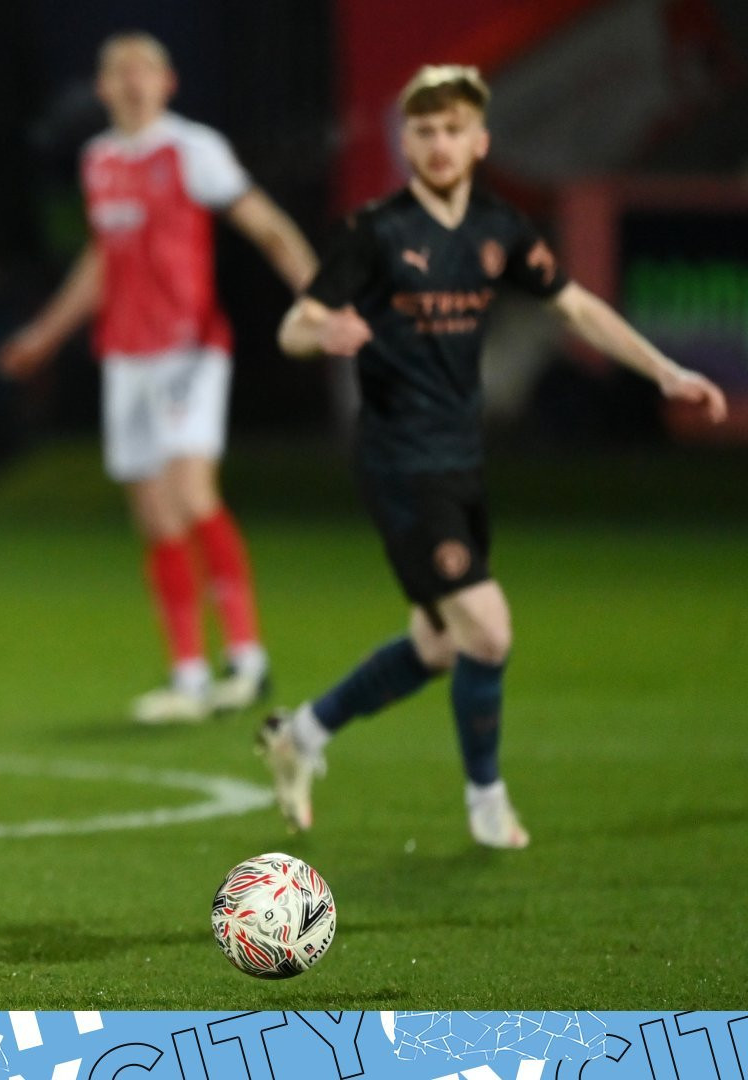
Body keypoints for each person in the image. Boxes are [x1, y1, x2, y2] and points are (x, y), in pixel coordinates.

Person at [262, 65, 727, 848]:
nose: (438, 144)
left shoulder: (499, 229)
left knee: (439, 644)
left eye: (452, 130)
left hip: (461, 458)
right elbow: (292, 326)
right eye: (423, 130)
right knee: (488, 627)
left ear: (479, 142)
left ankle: (301, 733)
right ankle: (486, 802)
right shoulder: (373, 231)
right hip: (398, 459)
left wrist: (666, 368)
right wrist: (322, 333)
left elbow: (574, 304)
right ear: (405, 140)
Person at [0, 32, 318, 724]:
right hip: (126, 355)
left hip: (188, 348)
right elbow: (103, 260)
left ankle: (247, 659)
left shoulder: (192, 149)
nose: (134, 82)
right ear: (104, 88)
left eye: (146, 70)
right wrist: (45, 336)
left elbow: (264, 224)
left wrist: (316, 293)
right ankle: (189, 674)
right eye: (120, 72)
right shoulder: (101, 159)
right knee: (151, 513)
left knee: (189, 491)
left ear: (168, 82)